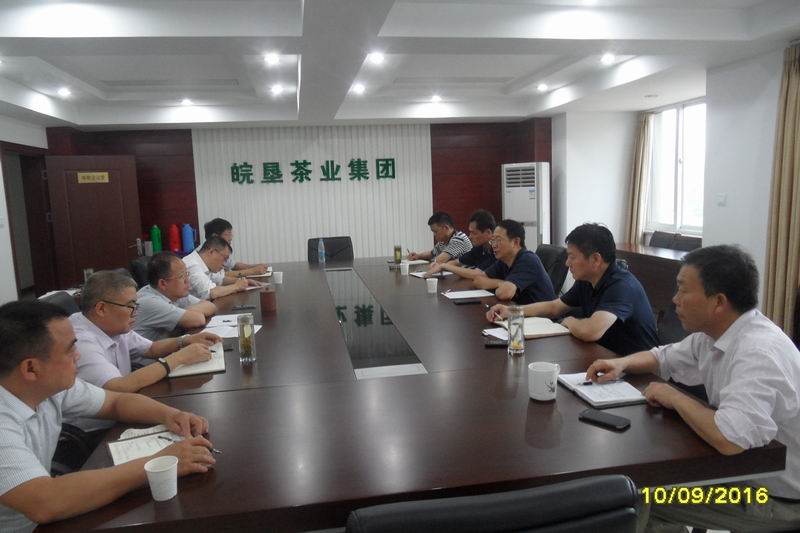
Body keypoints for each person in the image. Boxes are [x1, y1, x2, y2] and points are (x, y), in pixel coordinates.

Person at [583, 245, 800, 532]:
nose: (675, 299)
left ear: (718, 302)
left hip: (771, 499)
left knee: (639, 496)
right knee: (646, 486)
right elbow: (662, 357)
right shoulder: (715, 334)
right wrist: (621, 363)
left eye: (683, 290)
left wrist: (673, 396)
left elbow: (728, 438)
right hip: (742, 470)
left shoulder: (758, 353)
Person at [0, 300, 215, 532]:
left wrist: (172, 415)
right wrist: (159, 463)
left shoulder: (48, 387)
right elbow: (45, 502)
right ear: (31, 368)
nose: (78, 356)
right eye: (70, 349)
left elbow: (116, 402)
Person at [69, 271, 219, 432]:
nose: (136, 312)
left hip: (123, 413)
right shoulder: (80, 341)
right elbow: (118, 388)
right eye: (130, 306)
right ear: (101, 308)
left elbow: (151, 348)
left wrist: (185, 340)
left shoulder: (110, 325)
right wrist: (178, 358)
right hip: (96, 433)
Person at [486, 223, 657, 355]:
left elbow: (591, 331)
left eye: (572, 257)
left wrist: (569, 321)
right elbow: (554, 307)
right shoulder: (587, 280)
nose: (567, 263)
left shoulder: (622, 286)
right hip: (605, 357)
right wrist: (512, 311)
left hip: (638, 373)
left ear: (595, 259)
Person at [134, 252, 217, 342]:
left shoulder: (173, 293)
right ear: (163, 284)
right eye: (181, 276)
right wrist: (185, 313)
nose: (187, 280)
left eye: (187, 274)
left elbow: (211, 306)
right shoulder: (149, 302)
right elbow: (198, 319)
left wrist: (183, 311)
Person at [472, 219, 555, 304]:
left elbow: (505, 293)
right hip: (519, 309)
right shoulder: (504, 260)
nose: (494, 245)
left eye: (498, 240)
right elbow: (478, 280)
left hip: (541, 312)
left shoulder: (528, 260)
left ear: (516, 242)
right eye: (493, 240)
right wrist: (500, 283)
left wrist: (500, 285)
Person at [426, 209, 496, 279]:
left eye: (474, 233)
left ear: (488, 233)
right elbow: (458, 261)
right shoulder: (479, 248)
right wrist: (441, 266)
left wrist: (444, 266)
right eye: (470, 232)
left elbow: (477, 274)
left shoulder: (496, 250)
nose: (470, 236)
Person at [182, 236, 256, 300]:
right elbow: (211, 292)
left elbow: (220, 279)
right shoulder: (192, 265)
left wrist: (243, 281)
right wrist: (236, 286)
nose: (224, 264)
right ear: (212, 252)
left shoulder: (204, 263)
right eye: (225, 258)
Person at [203, 218, 268, 281]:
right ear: (215, 236)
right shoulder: (205, 253)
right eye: (228, 233)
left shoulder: (220, 251)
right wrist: (252, 271)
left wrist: (254, 267)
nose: (231, 237)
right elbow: (218, 276)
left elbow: (234, 265)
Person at [408, 212, 472, 265]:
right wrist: (418, 256)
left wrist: (432, 262)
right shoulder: (444, 241)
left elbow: (439, 261)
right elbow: (431, 254)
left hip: (467, 275)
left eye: (435, 231)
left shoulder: (459, 239)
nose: (434, 235)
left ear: (446, 228)